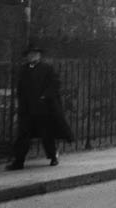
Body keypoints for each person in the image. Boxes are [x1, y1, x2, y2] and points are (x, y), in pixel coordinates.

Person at [5, 41, 74, 170]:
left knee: (47, 134)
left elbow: (54, 84)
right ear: (27, 56)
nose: (32, 56)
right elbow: (20, 88)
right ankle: (19, 161)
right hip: (27, 109)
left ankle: (53, 157)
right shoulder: (24, 70)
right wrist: (20, 101)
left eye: (35, 54)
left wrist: (45, 96)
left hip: (43, 108)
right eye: (30, 54)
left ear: (39, 56)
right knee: (23, 134)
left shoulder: (47, 68)